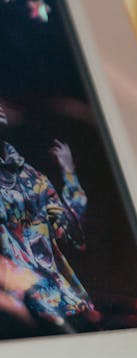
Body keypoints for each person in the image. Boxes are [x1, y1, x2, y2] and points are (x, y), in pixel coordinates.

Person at [0, 103, 94, 329]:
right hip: (16, 311)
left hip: (63, 305)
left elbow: (73, 236)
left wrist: (69, 175)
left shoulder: (32, 178)